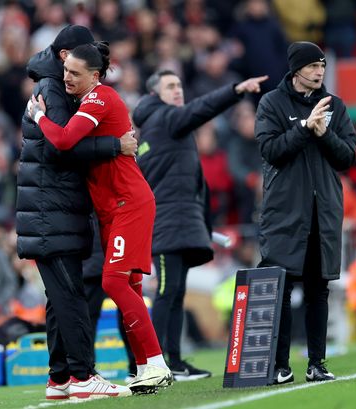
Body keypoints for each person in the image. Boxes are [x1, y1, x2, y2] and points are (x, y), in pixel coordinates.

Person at [28, 41, 172, 395]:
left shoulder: (99, 97)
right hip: (110, 208)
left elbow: (62, 140)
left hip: (129, 202)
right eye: (65, 71)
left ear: (95, 76)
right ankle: (143, 368)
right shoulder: (84, 99)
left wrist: (39, 117)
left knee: (113, 283)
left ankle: (156, 362)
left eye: (75, 73)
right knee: (130, 285)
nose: (67, 79)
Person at [16, 25, 136, 400]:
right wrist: (113, 145)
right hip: (52, 209)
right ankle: (84, 376)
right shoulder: (53, 88)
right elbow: (58, 148)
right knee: (72, 295)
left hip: (52, 208)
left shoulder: (51, 84)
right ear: (66, 56)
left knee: (59, 299)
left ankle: (60, 379)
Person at [132, 69, 267, 381]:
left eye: (179, 84)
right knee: (167, 291)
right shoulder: (166, 119)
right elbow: (200, 109)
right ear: (155, 94)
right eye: (170, 86)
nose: (178, 90)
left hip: (176, 221)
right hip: (168, 222)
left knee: (175, 292)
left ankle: (172, 362)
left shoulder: (158, 124)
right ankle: (157, 363)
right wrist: (234, 90)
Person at [255, 41, 356, 384]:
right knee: (281, 288)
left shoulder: (336, 106)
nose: (320, 72)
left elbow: (347, 157)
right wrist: (302, 128)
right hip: (284, 212)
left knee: (318, 289)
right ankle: (279, 365)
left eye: (323, 66)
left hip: (323, 212)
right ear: (296, 69)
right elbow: (270, 150)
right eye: (314, 66)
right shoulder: (271, 102)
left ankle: (317, 363)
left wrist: (323, 132)